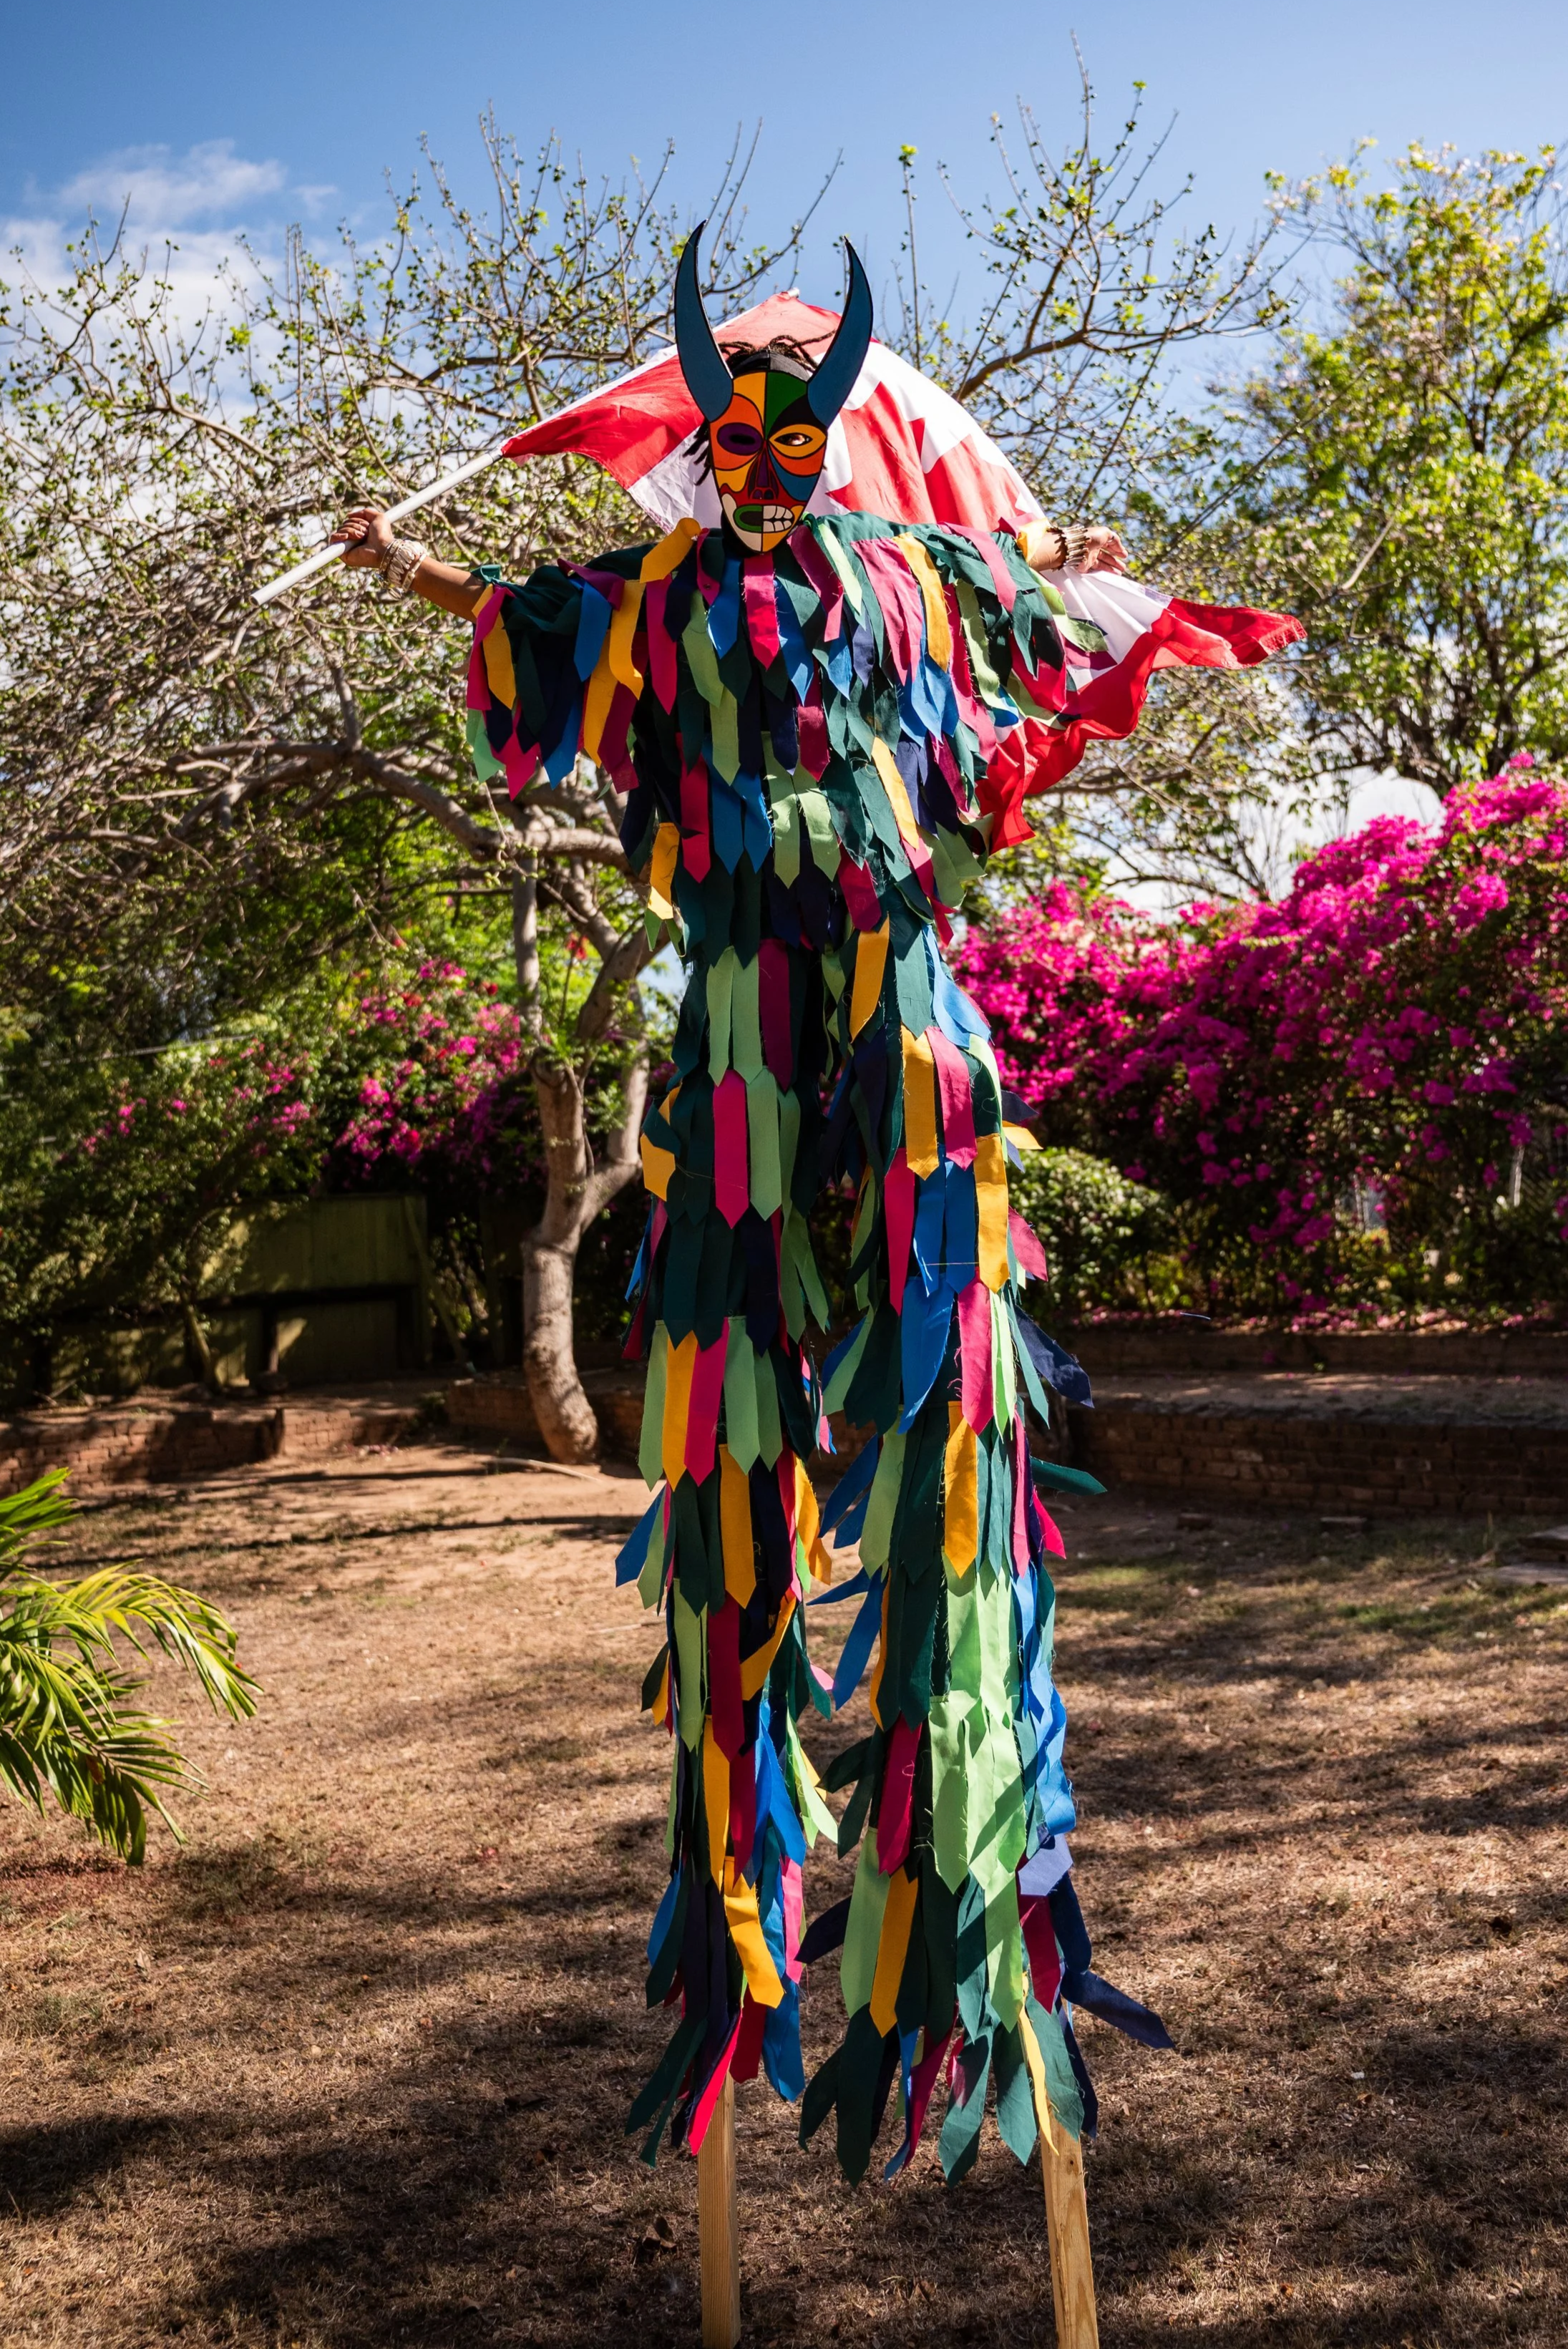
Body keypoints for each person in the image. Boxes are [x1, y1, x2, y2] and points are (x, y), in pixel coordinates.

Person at [326, 228, 1288, 2183]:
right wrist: (398, 569)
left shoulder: (899, 575)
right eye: (739, 440)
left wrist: (1165, 614)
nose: (765, 463)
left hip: (901, 1012)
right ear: (714, 451)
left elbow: (1038, 605)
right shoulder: (660, 592)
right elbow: (531, 620)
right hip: (739, 1025)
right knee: (735, 1409)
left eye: (794, 442)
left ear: (826, 451)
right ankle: (750, 1882)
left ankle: (966, 1891)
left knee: (944, 1404)